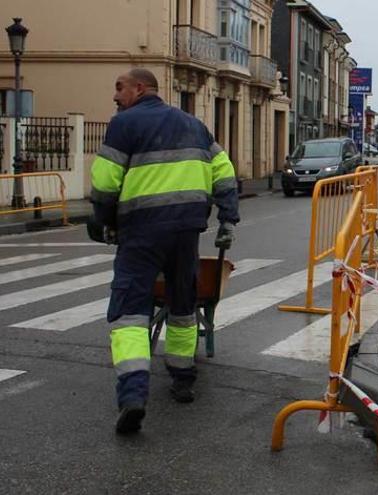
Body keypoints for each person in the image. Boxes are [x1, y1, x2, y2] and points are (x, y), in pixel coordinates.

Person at [90, 68, 239, 435]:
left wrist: (106, 221)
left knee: (129, 310)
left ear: (140, 88)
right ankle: (183, 379)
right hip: (187, 229)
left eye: (119, 87)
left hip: (141, 231)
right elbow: (224, 172)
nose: (115, 95)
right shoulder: (194, 125)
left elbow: (105, 183)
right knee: (183, 302)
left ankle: (133, 396)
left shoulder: (124, 124)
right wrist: (228, 219)